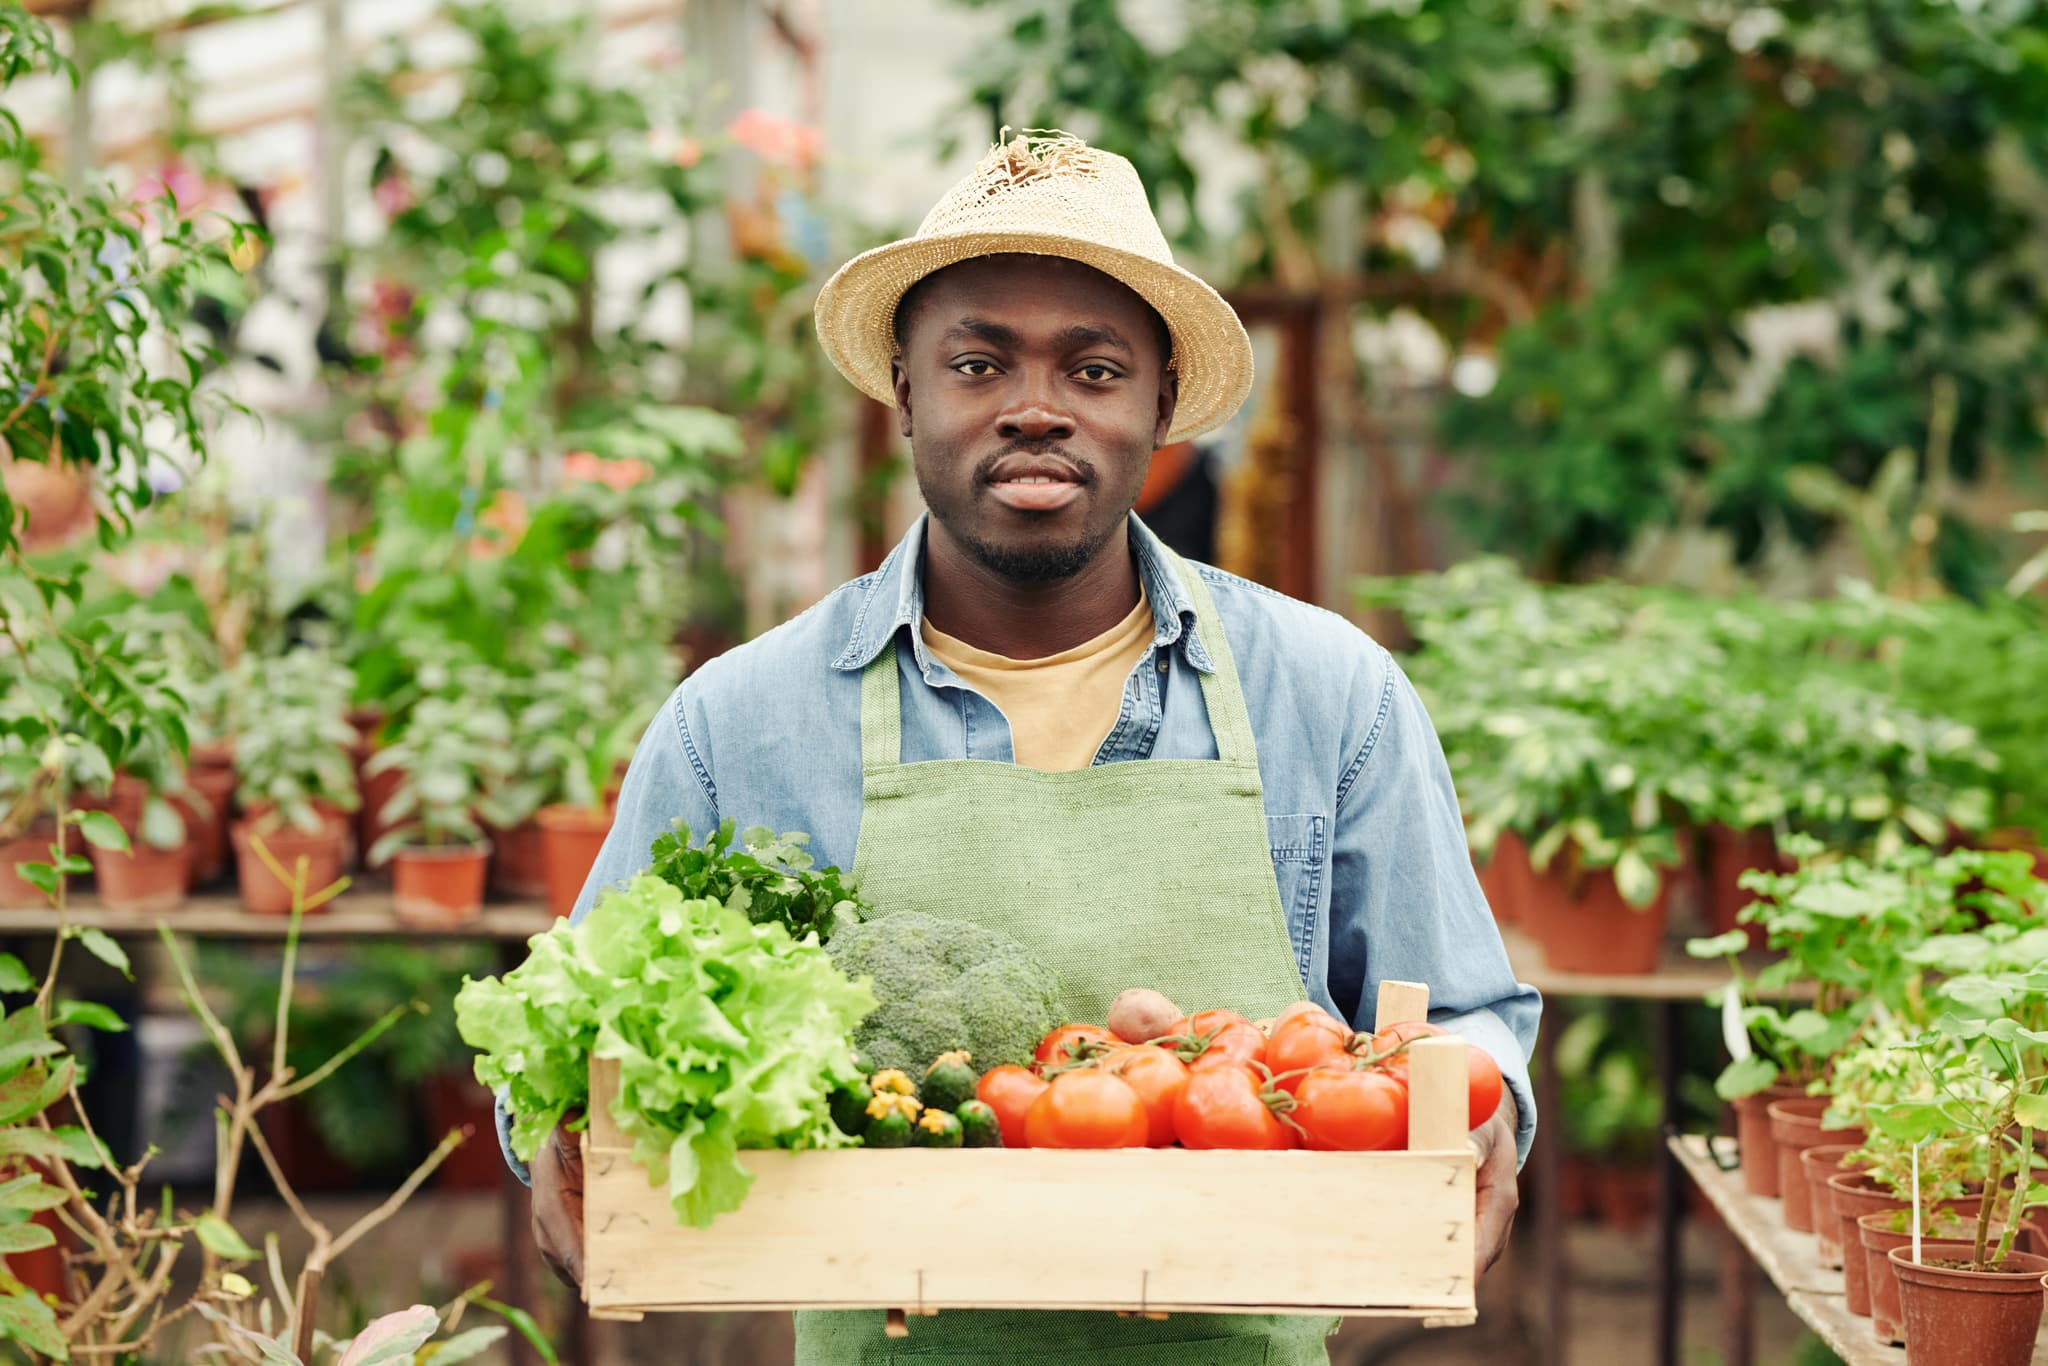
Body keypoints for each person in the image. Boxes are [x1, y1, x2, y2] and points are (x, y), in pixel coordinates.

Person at [506, 130, 1541, 1365]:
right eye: (978, 361)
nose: (1035, 408)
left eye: (1095, 370)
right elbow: (584, 1036)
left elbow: (1465, 1014)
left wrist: (1477, 1116)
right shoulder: (742, 721)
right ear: (905, 390)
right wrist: (556, 1132)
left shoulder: (1328, 694)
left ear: (1159, 406)